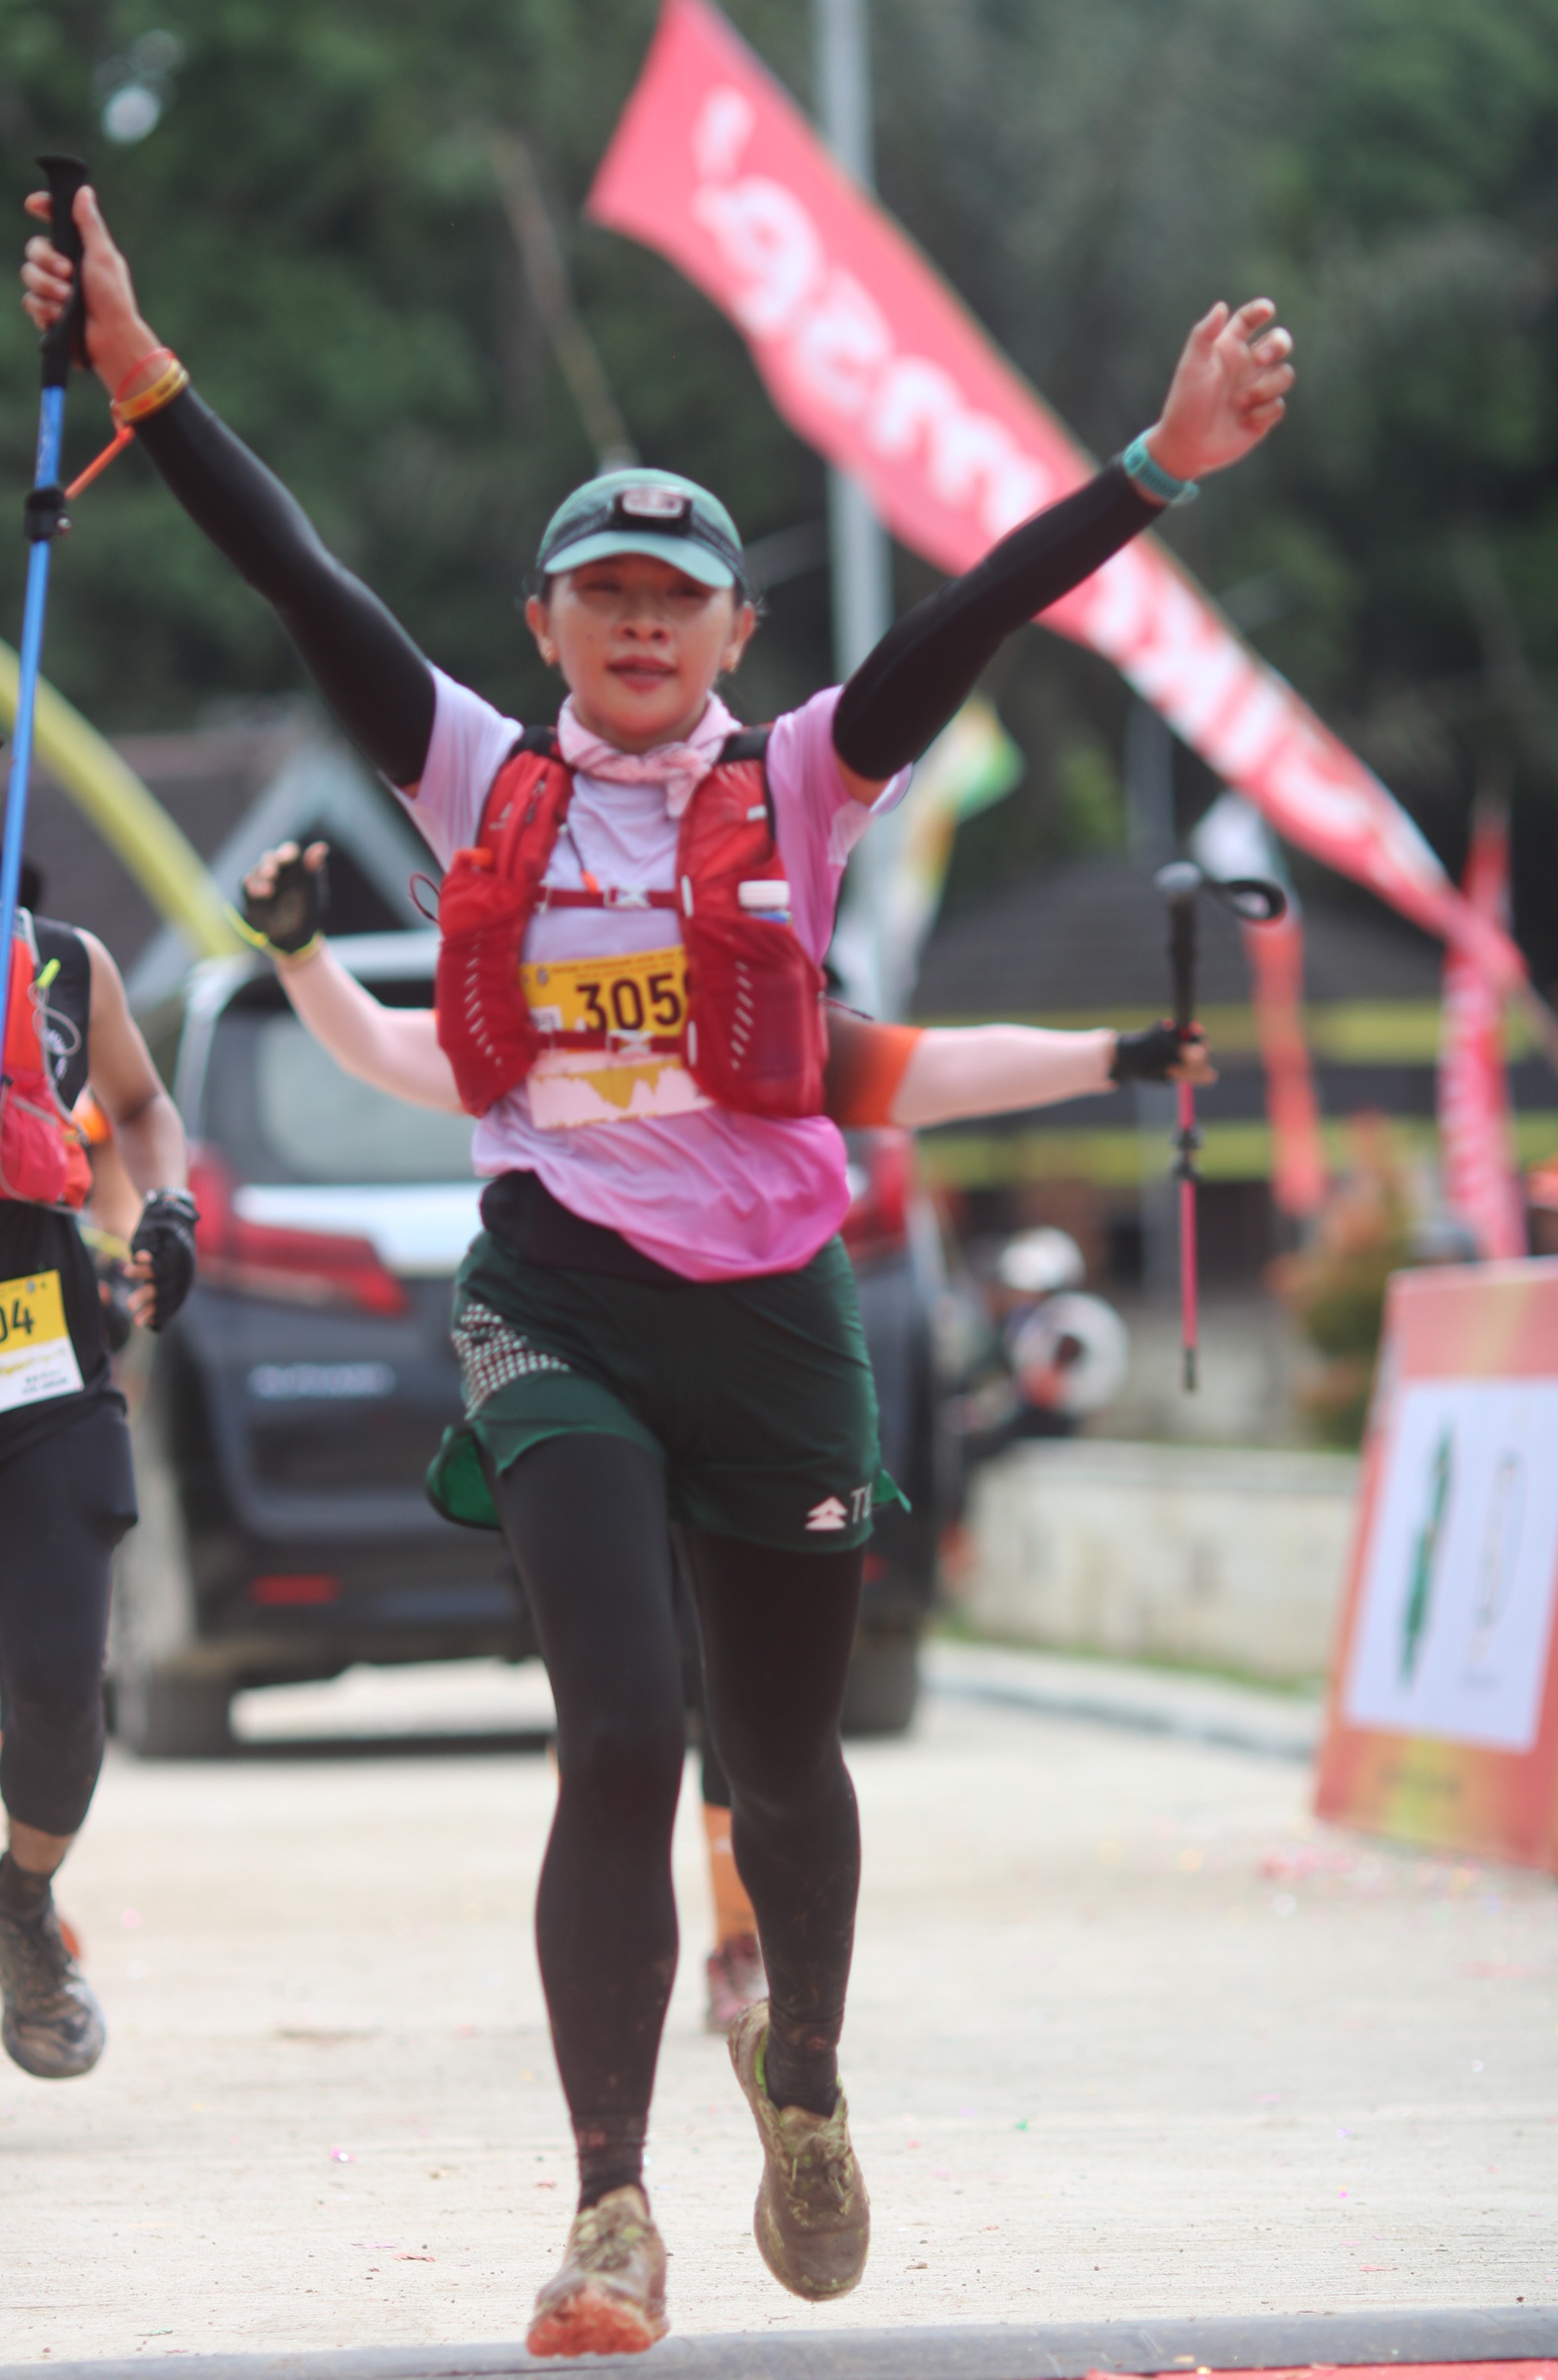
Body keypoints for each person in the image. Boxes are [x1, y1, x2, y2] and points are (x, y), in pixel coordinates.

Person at [23, 180, 1290, 2356]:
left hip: (777, 1321)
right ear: (543, 625)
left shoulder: (805, 783)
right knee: (619, 1731)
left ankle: (804, 2080)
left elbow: (978, 612)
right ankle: (609, 2208)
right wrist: (137, 371)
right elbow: (299, 573)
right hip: (558, 1305)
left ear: (730, 634)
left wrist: (1157, 466)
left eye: (675, 598)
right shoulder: (472, 777)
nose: (638, 624)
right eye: (601, 593)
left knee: (780, 1772)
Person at [233, 852, 1212, 2032]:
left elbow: (915, 1069)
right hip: (577, 1374)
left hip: (752, 1379)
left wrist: (1114, 1056)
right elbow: (393, 1050)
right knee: (617, 1708)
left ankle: (741, 1946)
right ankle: (623, 1930)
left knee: (737, 1696)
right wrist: (302, 955)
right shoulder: (526, 1025)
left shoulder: (762, 1012)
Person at [0, 868, 196, 2080]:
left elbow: (142, 1103)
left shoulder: (65, 963)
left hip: (41, 1369)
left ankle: (24, 1904)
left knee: (61, 1687)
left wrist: (166, 1211)